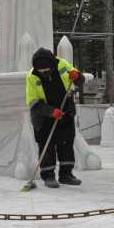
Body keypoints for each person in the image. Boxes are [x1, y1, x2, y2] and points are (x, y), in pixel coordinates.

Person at [26, 48, 85, 188]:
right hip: (44, 117)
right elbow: (33, 102)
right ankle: (48, 176)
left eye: (47, 69)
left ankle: (66, 175)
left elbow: (79, 81)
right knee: (47, 147)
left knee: (66, 144)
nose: (44, 73)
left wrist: (77, 76)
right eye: (41, 71)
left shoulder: (62, 64)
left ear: (53, 64)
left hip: (65, 111)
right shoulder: (31, 76)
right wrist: (50, 111)